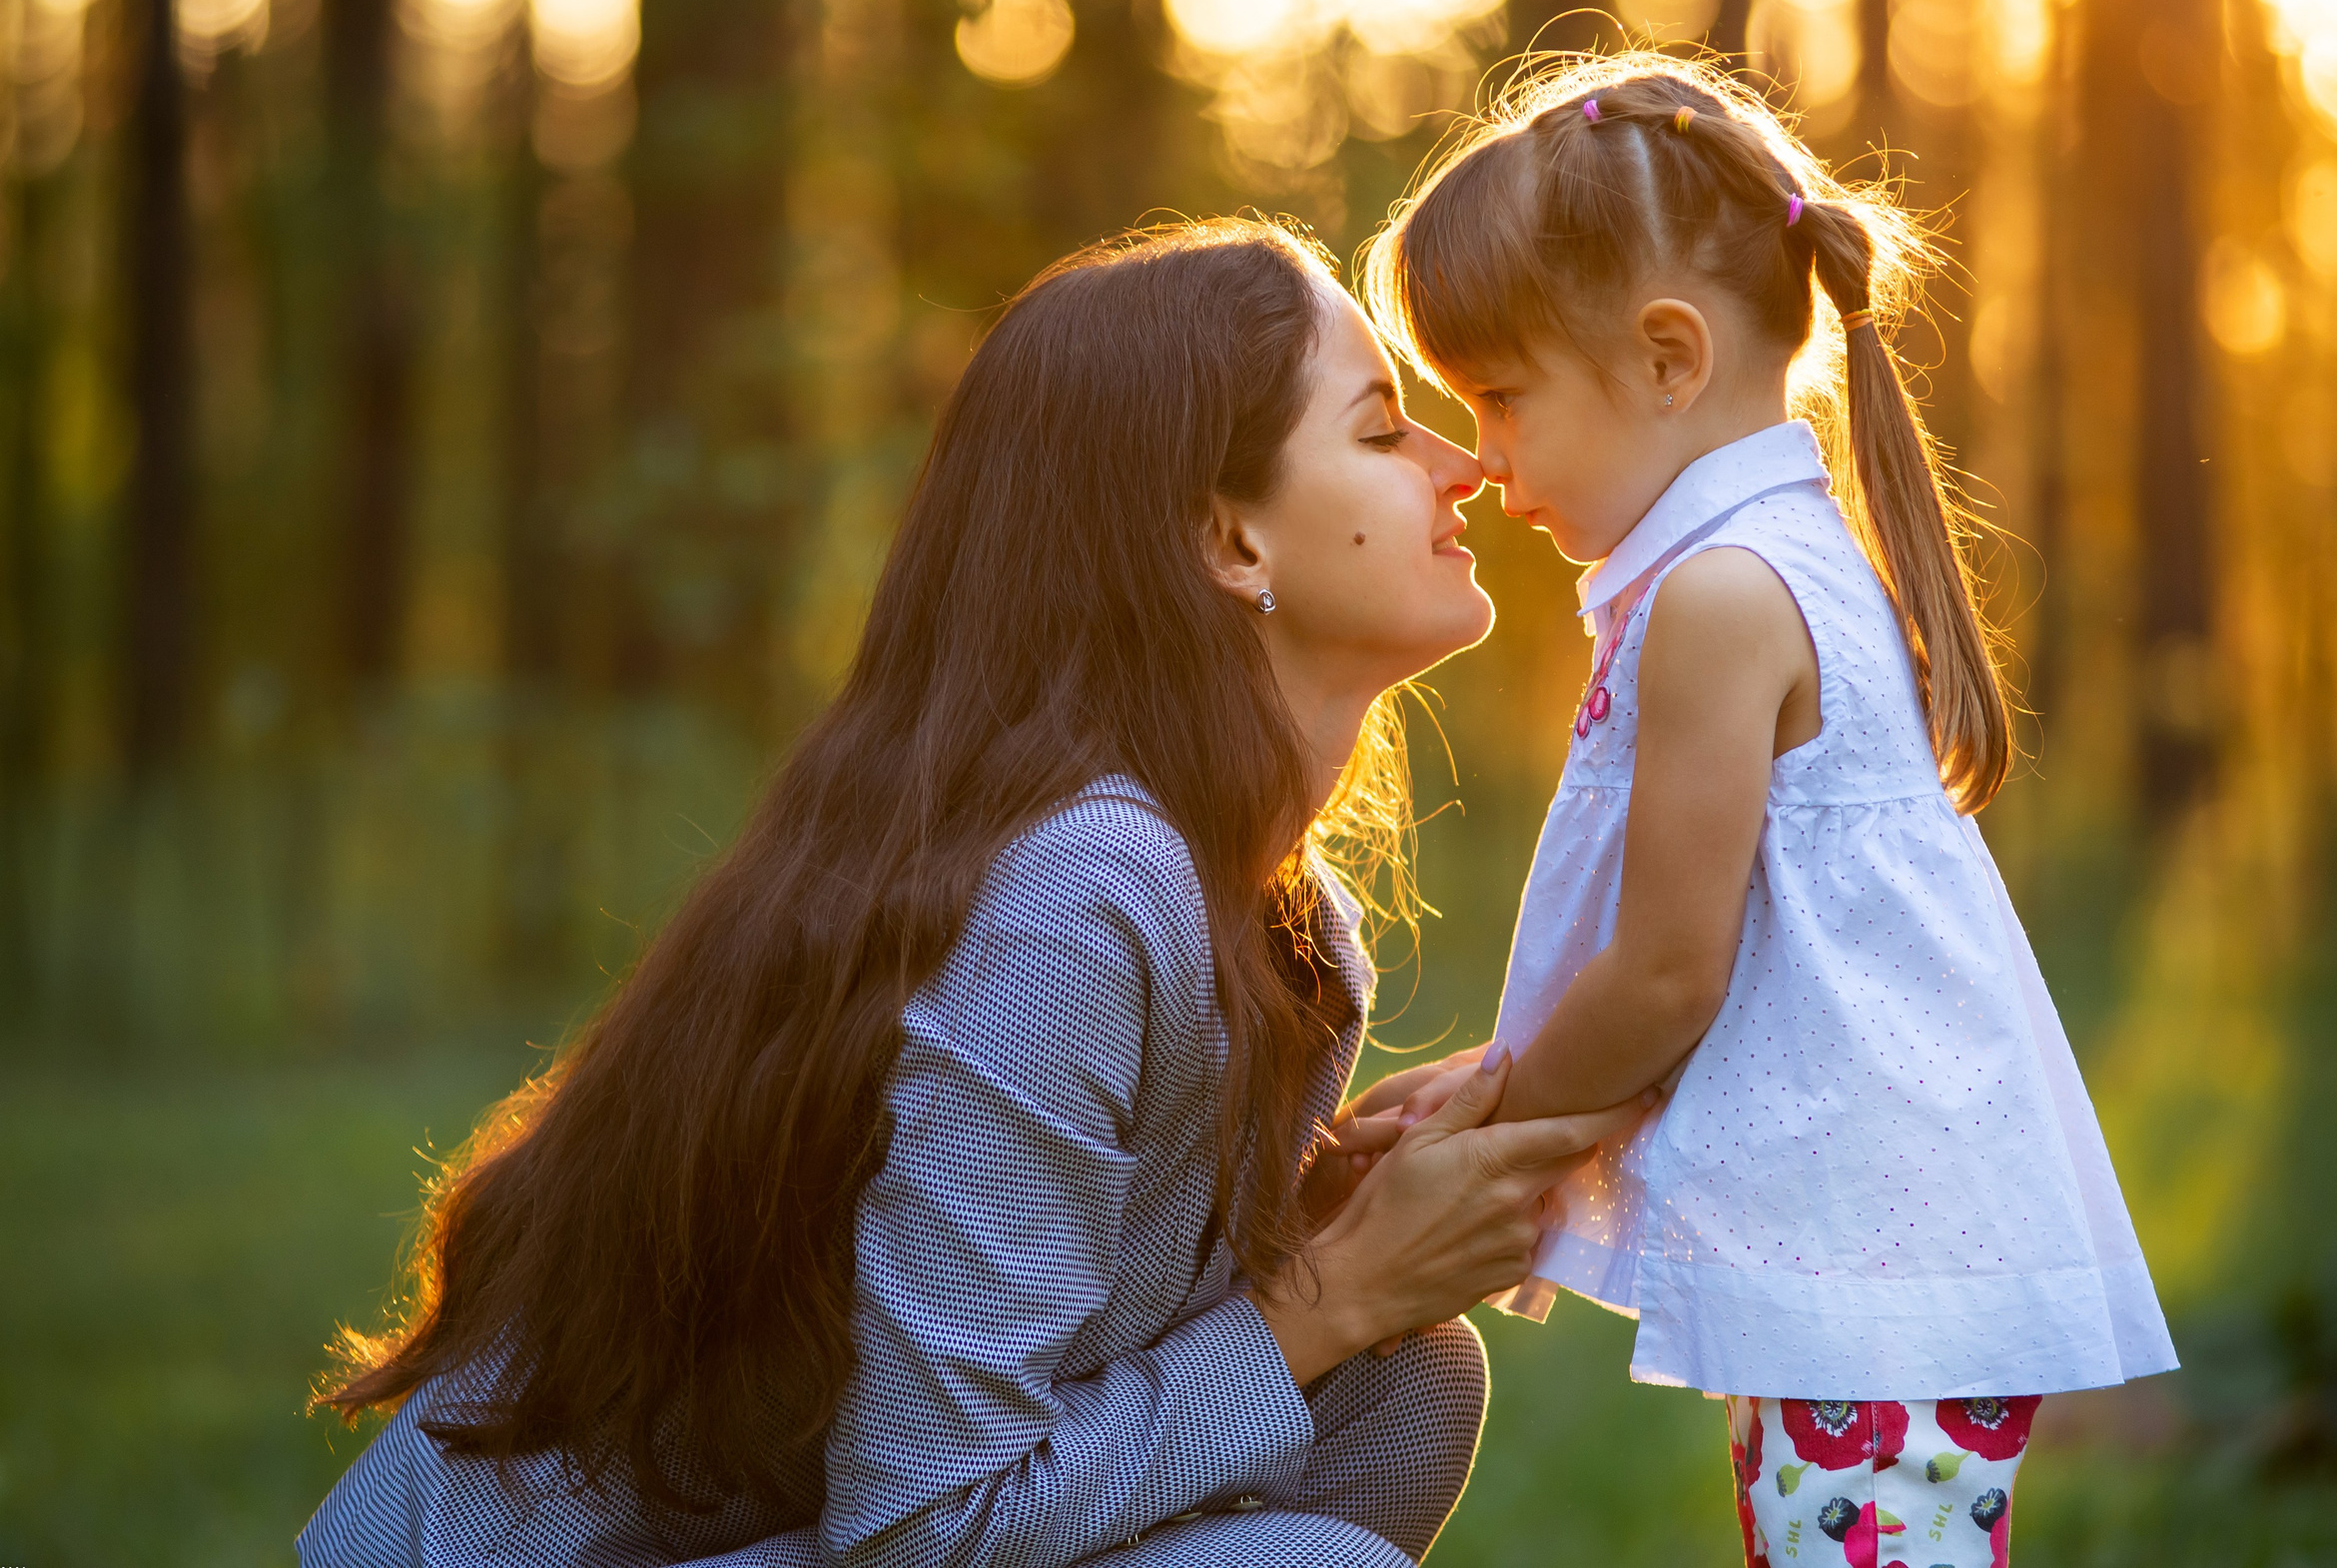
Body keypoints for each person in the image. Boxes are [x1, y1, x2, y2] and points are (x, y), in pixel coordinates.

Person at [298, 219, 1654, 1568]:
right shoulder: (1079, 890)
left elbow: (1068, 1316)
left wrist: (1324, 1224)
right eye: (1378, 431)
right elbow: (925, 1519)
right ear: (1229, 538)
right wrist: (1330, 1294)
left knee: (1404, 1384)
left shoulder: (1275, 914)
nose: (1465, 466)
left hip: (801, 1520)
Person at [1364, 53, 2177, 1567]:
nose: (1483, 457)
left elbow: (1674, 975)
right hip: (1878, 1249)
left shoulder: (1726, 598)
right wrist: (1499, 1064)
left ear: (1669, 359)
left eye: (1501, 395)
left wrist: (1493, 1111)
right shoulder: (1751, 566)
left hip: (1883, 1265)